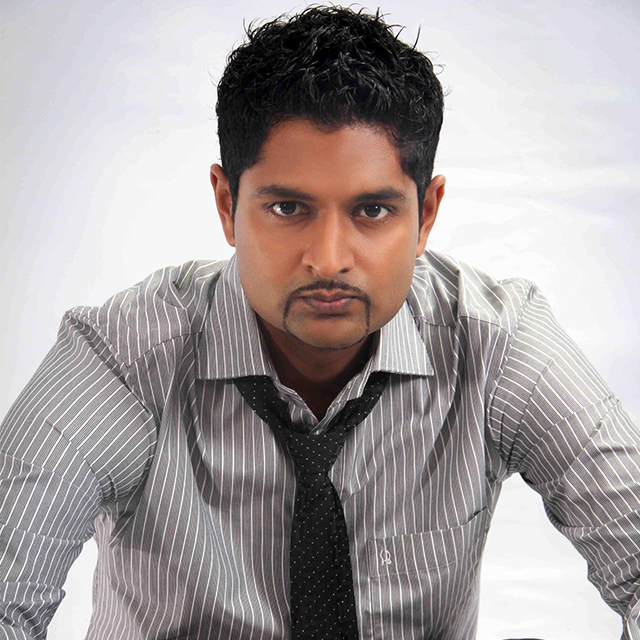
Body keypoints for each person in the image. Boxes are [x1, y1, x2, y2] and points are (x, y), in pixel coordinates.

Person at [0, 5, 638, 640]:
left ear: (426, 213)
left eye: (372, 211)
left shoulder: (497, 345)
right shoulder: (120, 361)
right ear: (226, 203)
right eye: (287, 207)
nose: (329, 259)